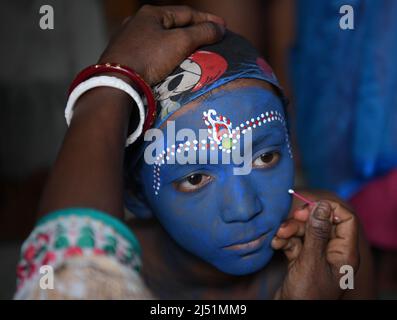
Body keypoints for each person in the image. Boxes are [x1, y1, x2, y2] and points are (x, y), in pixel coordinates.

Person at [15, 5, 373, 299]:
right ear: (136, 194)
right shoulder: (120, 275)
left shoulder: (332, 246)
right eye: (195, 177)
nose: (245, 208)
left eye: (265, 157)